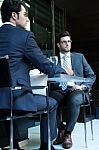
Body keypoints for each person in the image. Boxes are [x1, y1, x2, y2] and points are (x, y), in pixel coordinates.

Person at [0, 0, 67, 150]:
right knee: (51, 104)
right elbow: (43, 63)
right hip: (15, 100)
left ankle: (15, 144)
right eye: (25, 14)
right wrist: (63, 72)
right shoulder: (24, 36)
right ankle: (46, 146)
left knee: (4, 97)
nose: (28, 18)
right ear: (14, 15)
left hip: (2, 101)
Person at [49, 31, 96, 149]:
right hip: (59, 90)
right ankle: (61, 129)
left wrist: (81, 85)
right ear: (58, 45)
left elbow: (91, 76)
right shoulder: (53, 60)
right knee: (48, 100)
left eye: (68, 41)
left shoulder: (79, 57)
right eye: (64, 42)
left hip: (76, 89)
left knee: (74, 99)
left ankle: (68, 134)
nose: (67, 44)